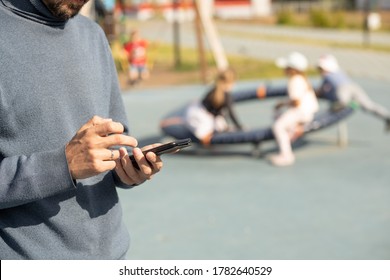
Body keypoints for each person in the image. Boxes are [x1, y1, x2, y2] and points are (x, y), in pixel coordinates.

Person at [0, 0, 164, 259]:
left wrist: (128, 169)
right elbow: (74, 161)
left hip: (114, 256)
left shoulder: (94, 35)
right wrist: (62, 165)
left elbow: (116, 139)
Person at [316, 54, 390, 132]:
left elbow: (322, 89)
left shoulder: (328, 76)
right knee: (368, 105)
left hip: (343, 89)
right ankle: (386, 116)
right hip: (353, 86)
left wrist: (317, 94)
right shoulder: (338, 71)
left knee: (343, 103)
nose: (320, 71)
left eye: (320, 69)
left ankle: (347, 105)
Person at [270, 52, 319, 167]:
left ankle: (286, 155)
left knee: (278, 127)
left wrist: (282, 104)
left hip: (302, 112)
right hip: (307, 112)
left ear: (292, 69)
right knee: (283, 119)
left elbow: (296, 102)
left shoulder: (295, 80)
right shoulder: (302, 79)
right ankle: (293, 131)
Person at [184, 68, 243, 145]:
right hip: (199, 116)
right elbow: (231, 113)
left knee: (221, 125)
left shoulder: (216, 89)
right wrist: (239, 127)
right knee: (205, 133)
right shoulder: (225, 95)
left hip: (198, 111)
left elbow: (216, 110)